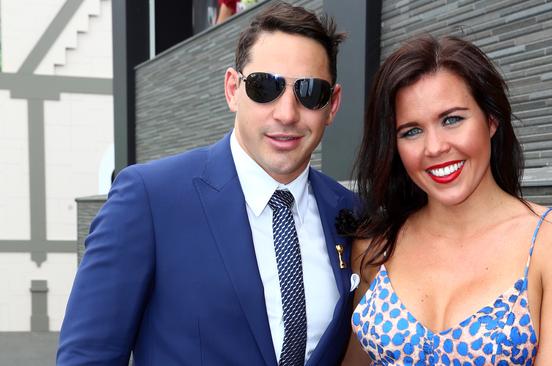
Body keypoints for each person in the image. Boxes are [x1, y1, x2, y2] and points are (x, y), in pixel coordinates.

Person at [57, 2, 357, 365]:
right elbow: (89, 356)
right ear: (233, 89)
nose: (287, 113)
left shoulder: (350, 213)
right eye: (265, 87)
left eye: (310, 91)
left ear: (333, 104)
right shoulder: (149, 199)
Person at [342, 35, 552, 365]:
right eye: (411, 131)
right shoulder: (375, 247)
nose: (434, 147)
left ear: (491, 120)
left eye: (452, 119)